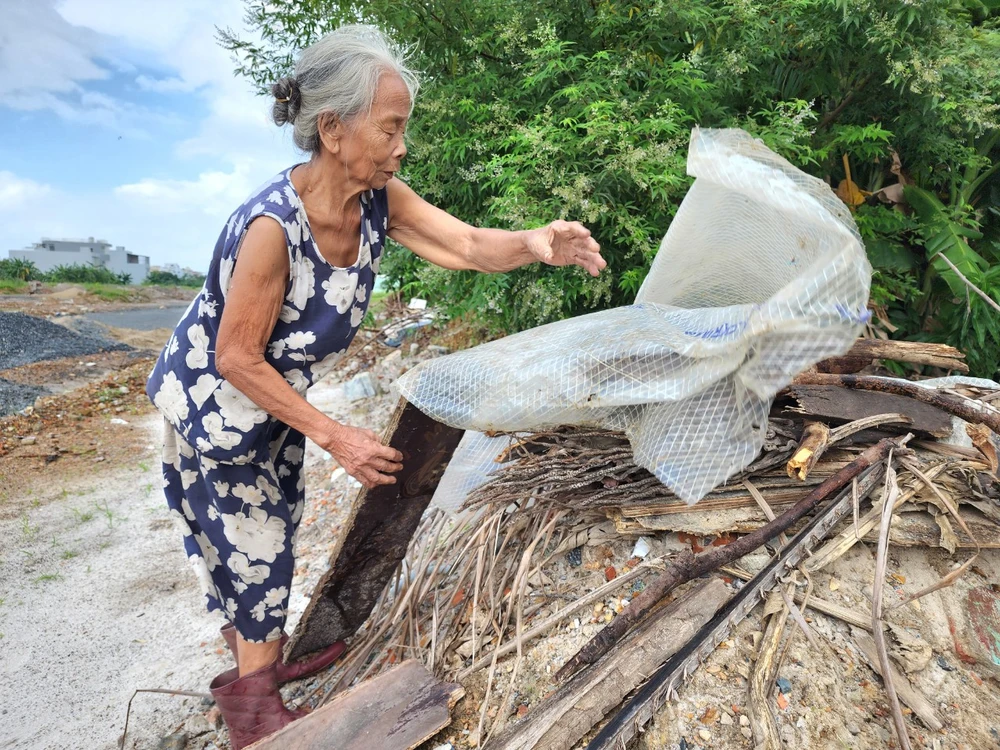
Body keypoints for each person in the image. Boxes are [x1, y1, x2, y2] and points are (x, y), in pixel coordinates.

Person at [146, 24, 605, 749]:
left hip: (272, 400)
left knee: (268, 532)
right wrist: (337, 436)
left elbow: (463, 244)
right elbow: (235, 357)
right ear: (333, 129)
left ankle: (255, 672)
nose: (400, 146)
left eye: (401, 130)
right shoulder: (272, 228)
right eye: (390, 129)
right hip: (216, 406)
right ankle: (255, 718)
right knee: (257, 550)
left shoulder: (377, 201)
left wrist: (533, 244)